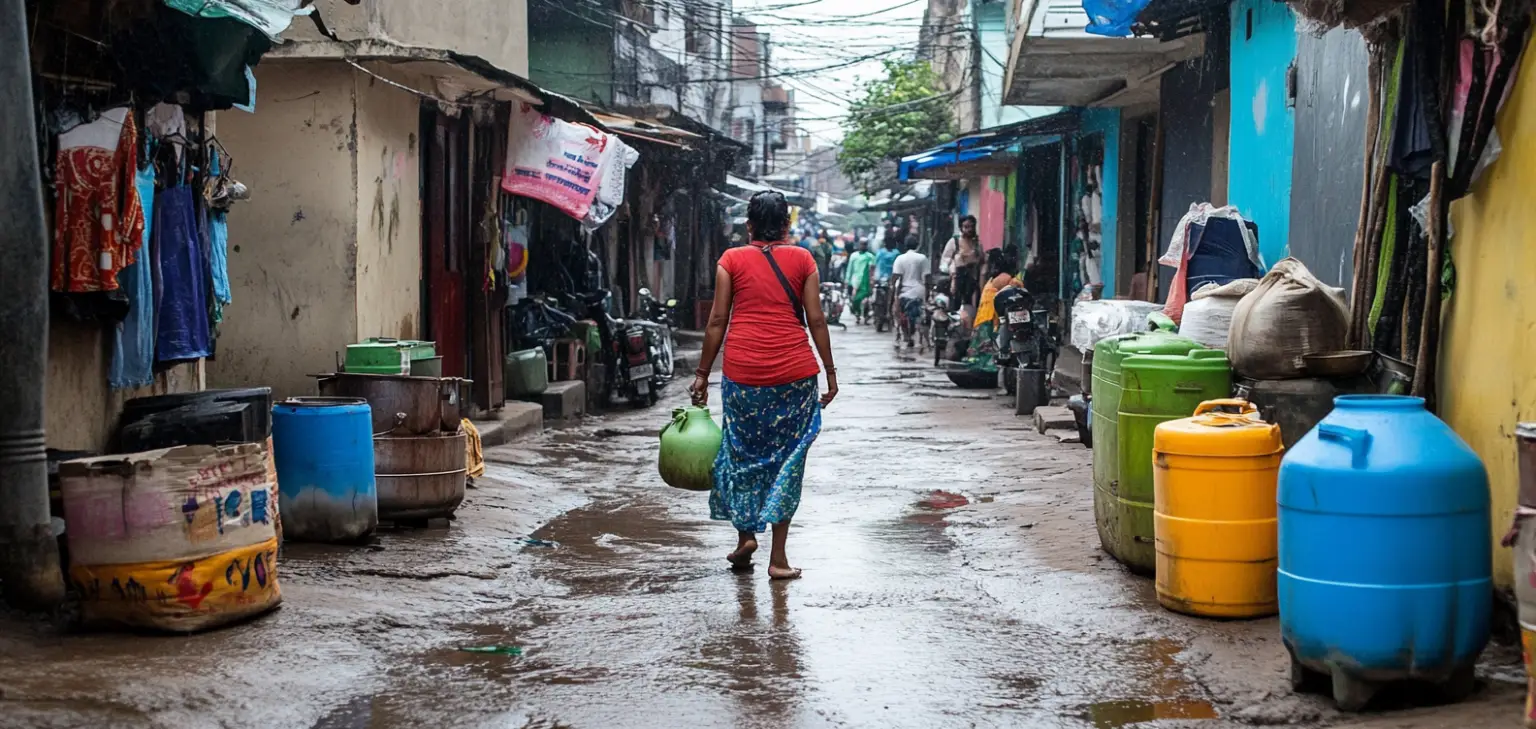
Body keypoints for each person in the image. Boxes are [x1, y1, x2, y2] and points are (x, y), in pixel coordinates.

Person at [691, 190, 839, 581]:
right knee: (787, 461)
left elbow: (718, 320)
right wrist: (831, 371)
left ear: (749, 224)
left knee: (741, 455)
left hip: (743, 374)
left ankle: (745, 537)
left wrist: (703, 374)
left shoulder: (731, 259)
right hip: (794, 373)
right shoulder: (803, 259)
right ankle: (779, 558)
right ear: (787, 225)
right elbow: (817, 319)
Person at [963, 247, 1022, 372]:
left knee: (983, 350)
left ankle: (985, 369)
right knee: (989, 349)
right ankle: (989, 370)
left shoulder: (996, 278)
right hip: (990, 317)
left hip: (985, 317)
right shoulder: (1005, 278)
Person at [889, 235, 930, 348]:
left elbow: (895, 277)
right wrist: (928, 294)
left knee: (898, 313)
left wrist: (892, 288)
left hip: (904, 293)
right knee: (921, 316)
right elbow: (927, 278)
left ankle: (903, 335)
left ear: (905, 246)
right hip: (919, 292)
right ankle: (921, 340)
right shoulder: (923, 258)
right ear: (917, 245)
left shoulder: (900, 259)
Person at [941, 216, 983, 309]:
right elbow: (945, 260)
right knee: (955, 306)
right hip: (957, 279)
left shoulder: (977, 243)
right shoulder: (954, 242)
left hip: (973, 279)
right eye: (966, 227)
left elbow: (981, 260)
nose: (969, 230)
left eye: (972, 227)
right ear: (961, 228)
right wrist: (952, 272)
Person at [845, 239, 876, 325]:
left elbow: (872, 270)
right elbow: (849, 269)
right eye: (862, 244)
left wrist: (872, 281)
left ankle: (865, 316)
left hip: (866, 282)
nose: (863, 246)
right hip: (855, 281)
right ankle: (857, 315)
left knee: (867, 301)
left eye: (865, 244)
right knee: (855, 300)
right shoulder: (854, 256)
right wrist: (847, 280)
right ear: (859, 245)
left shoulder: (870, 256)